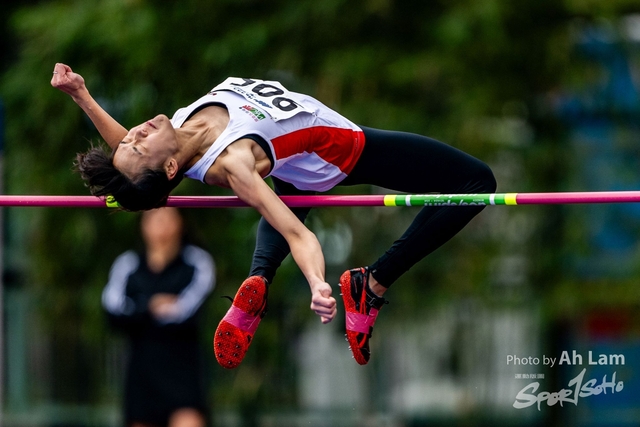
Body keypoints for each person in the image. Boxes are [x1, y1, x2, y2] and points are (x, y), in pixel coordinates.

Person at [52, 62, 497, 368]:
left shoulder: (177, 132)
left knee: (292, 183)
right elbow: (299, 234)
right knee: (477, 183)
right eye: (138, 144)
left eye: (131, 139)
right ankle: (373, 282)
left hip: (296, 165)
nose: (135, 133)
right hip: (342, 151)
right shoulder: (234, 165)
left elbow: (128, 157)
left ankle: (259, 279)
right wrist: (318, 283)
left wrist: (82, 95)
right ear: (170, 168)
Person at [102, 207, 215, 426]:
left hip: (183, 374)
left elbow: (186, 312)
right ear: (143, 224)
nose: (161, 224)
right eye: (153, 217)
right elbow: (113, 312)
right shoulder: (127, 265)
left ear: (181, 222)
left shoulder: (198, 262)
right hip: (141, 376)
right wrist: (150, 307)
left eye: (168, 217)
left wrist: (139, 311)